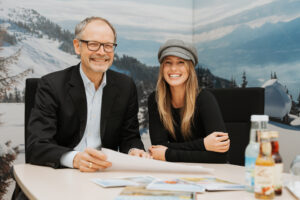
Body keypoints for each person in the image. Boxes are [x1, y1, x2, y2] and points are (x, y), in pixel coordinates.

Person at [26, 16, 149, 172]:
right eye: (93, 45)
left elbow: (130, 138)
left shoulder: (125, 86)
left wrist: (134, 151)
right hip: (62, 171)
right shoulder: (51, 85)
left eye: (108, 46)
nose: (101, 52)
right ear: (77, 46)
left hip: (105, 172)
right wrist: (74, 158)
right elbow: (37, 145)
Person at [148, 39, 230, 163]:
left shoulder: (204, 99)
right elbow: (157, 148)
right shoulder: (156, 100)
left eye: (181, 62)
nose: (173, 68)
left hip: (209, 174)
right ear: (162, 68)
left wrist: (168, 154)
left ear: (190, 68)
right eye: (168, 62)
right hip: (172, 173)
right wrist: (203, 145)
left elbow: (220, 156)